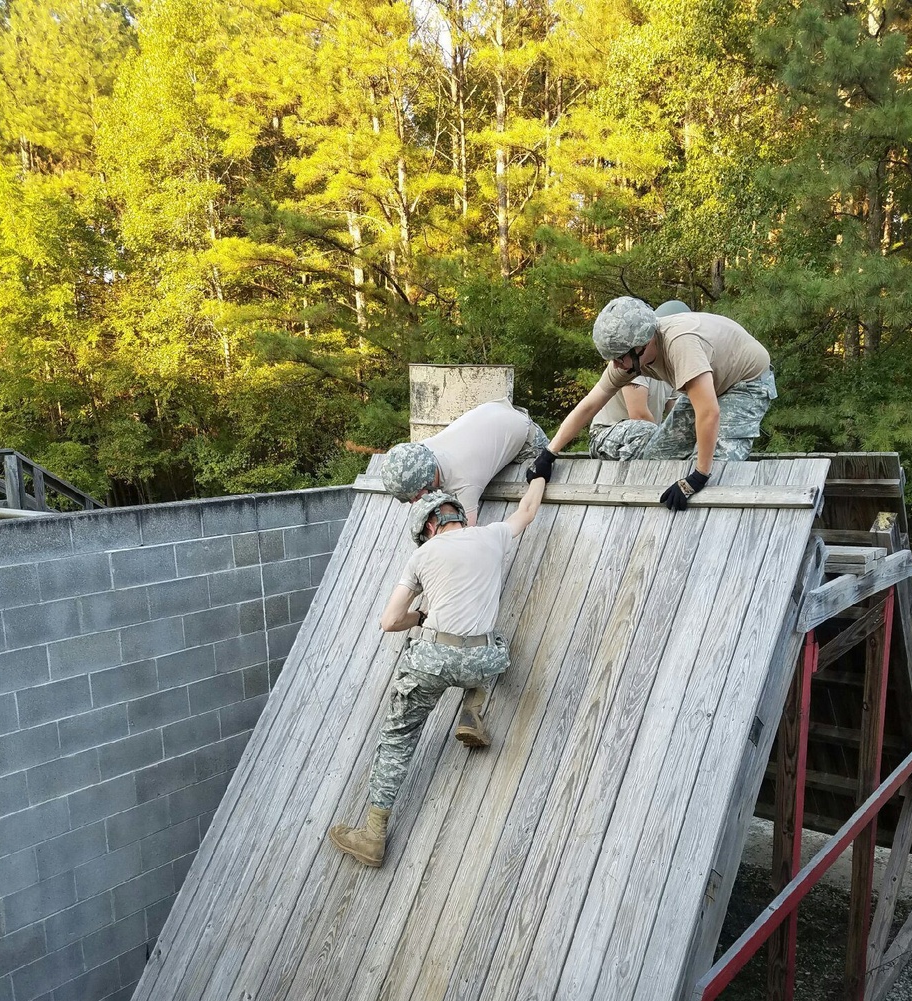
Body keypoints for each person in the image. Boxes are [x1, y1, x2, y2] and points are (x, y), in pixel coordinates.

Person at [328, 466, 552, 868]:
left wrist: (421, 615)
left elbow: (389, 621)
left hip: (433, 659)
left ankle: (372, 836)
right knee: (496, 645)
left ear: (430, 525)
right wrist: (541, 469)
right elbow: (529, 510)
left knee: (399, 736)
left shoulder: (422, 555)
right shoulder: (492, 535)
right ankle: (472, 709)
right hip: (481, 659)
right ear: (458, 515)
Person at [535, 297, 777, 510]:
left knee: (718, 469)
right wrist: (549, 453)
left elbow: (709, 412)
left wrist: (698, 476)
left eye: (619, 359)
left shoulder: (680, 344)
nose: (616, 366)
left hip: (746, 383)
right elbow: (590, 404)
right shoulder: (629, 357)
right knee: (656, 457)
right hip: (711, 383)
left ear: (643, 345)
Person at [380, 397, 551, 526]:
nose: (414, 502)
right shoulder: (421, 452)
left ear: (426, 479)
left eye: (416, 496)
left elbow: (464, 540)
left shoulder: (464, 483)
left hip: (529, 439)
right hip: (496, 410)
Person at [587, 300, 689, 462]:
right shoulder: (635, 360)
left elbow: (675, 415)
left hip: (646, 435)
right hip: (606, 435)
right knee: (648, 433)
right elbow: (638, 414)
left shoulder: (673, 365)